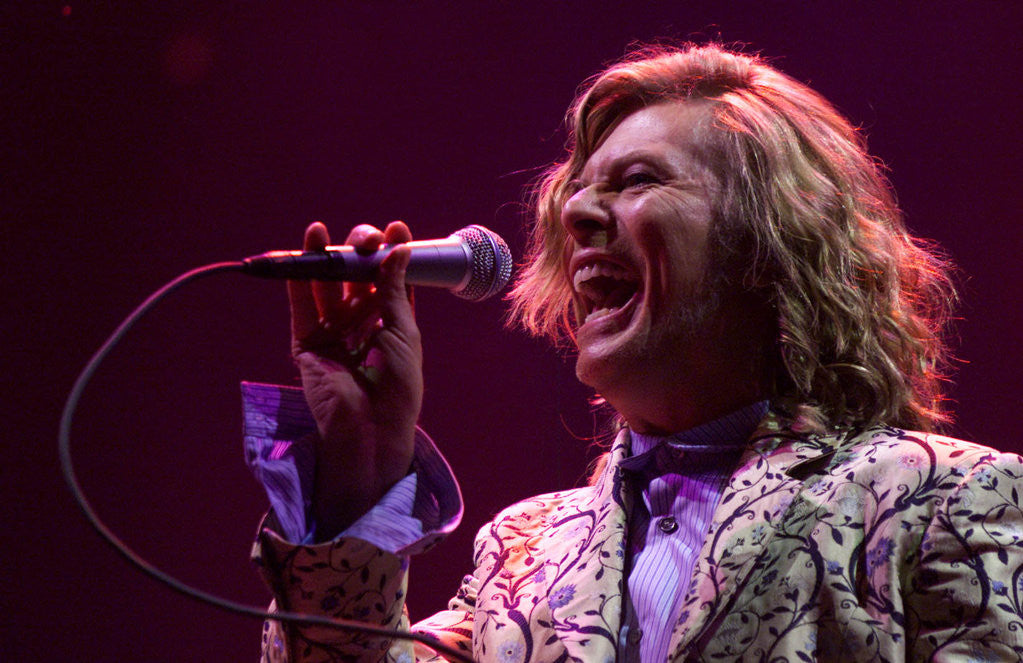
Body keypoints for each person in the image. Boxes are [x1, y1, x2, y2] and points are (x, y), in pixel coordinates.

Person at [242, 44, 1023, 662]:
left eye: (637, 179)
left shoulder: (943, 496)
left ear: (772, 242)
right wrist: (362, 465)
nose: (577, 212)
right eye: (578, 191)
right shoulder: (524, 549)